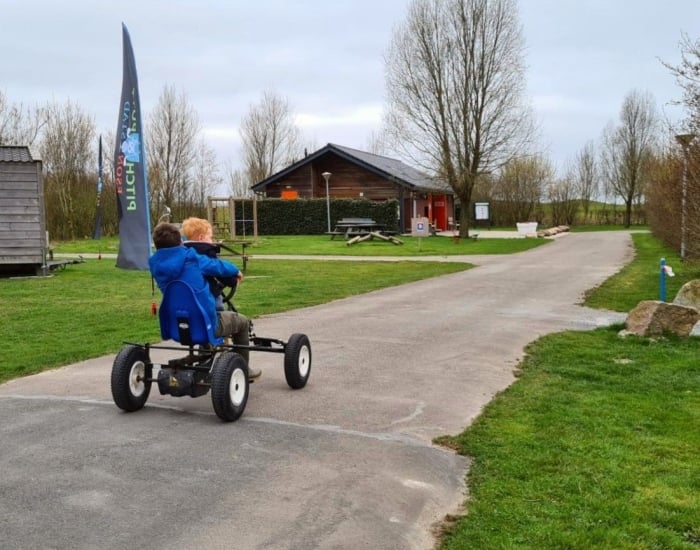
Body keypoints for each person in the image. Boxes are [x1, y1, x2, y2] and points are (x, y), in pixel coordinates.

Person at [149, 222, 261, 380]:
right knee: (242, 322)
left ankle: (205, 358)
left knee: (200, 312)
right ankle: (243, 370)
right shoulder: (191, 258)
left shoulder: (155, 265)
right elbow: (216, 266)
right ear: (180, 242)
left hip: (176, 326)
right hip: (205, 323)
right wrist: (235, 271)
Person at [180, 217, 236, 311]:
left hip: (189, 295)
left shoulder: (183, 251)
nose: (211, 240)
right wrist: (232, 281)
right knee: (218, 310)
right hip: (208, 295)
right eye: (210, 237)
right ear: (201, 237)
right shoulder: (206, 250)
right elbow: (218, 271)